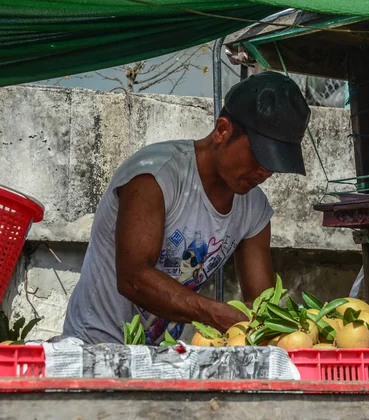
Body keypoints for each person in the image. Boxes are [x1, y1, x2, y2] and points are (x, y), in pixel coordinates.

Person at [62, 71, 311, 344]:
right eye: (259, 156)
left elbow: (261, 304)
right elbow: (133, 278)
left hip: (164, 358)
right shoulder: (155, 176)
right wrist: (214, 313)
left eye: (275, 163)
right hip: (95, 348)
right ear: (222, 131)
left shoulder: (254, 210)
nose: (265, 172)